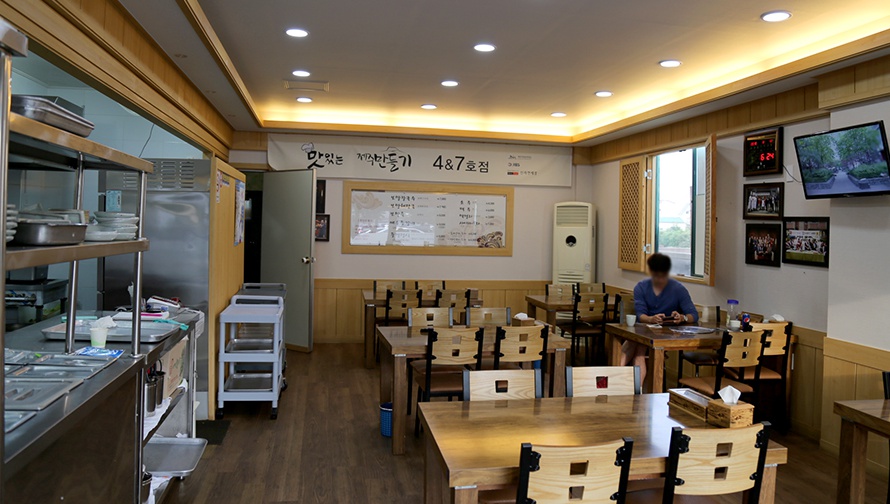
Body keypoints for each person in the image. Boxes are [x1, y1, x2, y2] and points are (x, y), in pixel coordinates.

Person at [621, 253, 698, 383]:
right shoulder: (641, 287)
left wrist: (682, 318)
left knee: (638, 347)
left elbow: (693, 315)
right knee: (636, 344)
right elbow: (641, 315)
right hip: (645, 329)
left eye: (663, 275)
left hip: (668, 333)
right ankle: (619, 382)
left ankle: (627, 385)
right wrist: (651, 319)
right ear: (651, 272)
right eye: (657, 275)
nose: (660, 279)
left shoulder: (678, 289)